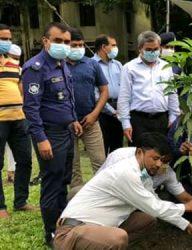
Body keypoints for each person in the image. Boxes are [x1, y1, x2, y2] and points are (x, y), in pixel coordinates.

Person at [53, 133, 192, 249]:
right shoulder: (127, 172)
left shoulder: (143, 174)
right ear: (139, 153)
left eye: (162, 161)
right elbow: (154, 206)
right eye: (155, 158)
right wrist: (185, 207)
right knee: (118, 237)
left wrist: (185, 224)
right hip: (71, 233)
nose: (158, 164)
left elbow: (155, 203)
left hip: (98, 228)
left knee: (147, 220)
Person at [22, 22, 83, 245]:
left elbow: (66, 98)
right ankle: (51, 233)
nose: (64, 46)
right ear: (45, 41)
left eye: (66, 42)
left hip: (66, 131)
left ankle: (62, 227)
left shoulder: (62, 64)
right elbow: (30, 107)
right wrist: (41, 138)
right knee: (52, 183)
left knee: (63, 181)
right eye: (58, 41)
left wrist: (73, 119)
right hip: (50, 134)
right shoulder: (35, 68)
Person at [118, 31, 180, 145]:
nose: (152, 52)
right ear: (140, 48)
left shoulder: (166, 67)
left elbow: (172, 93)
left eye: (155, 49)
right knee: (139, 155)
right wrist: (125, 123)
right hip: (139, 120)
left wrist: (173, 116)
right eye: (148, 50)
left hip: (162, 119)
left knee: (160, 155)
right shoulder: (129, 68)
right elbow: (124, 97)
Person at [66, 28, 109, 188]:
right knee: (73, 166)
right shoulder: (59, 65)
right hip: (67, 124)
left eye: (81, 45)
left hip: (91, 121)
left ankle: (102, 197)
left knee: (100, 162)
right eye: (74, 45)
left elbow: (105, 90)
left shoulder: (91, 64)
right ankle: (76, 202)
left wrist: (94, 114)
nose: (78, 48)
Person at [0, 24, 34, 219]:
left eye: (8, 39)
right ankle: (0, 207)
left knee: (25, 161)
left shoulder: (15, 66)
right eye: (3, 38)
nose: (6, 42)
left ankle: (20, 201)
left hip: (19, 119)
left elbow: (22, 91)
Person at [93, 34, 124, 156]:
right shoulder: (91, 65)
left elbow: (125, 88)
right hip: (101, 111)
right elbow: (95, 94)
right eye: (113, 45)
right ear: (104, 47)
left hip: (119, 109)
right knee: (103, 148)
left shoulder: (118, 64)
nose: (116, 48)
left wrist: (121, 109)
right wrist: (111, 111)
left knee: (118, 148)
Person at [5, 43, 23, 183]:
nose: (15, 60)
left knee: (14, 148)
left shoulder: (19, 70)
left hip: (17, 114)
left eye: (18, 58)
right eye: (13, 57)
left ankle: (12, 171)